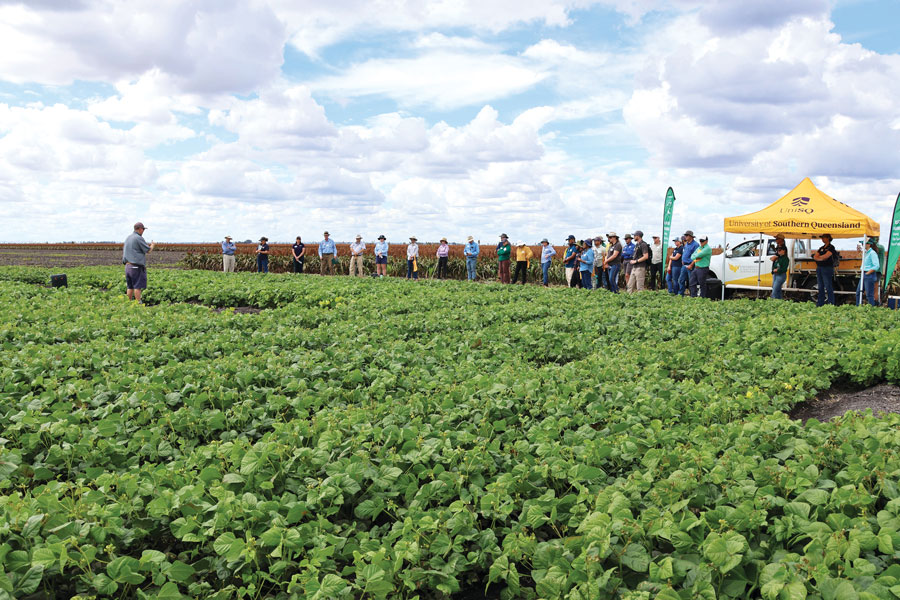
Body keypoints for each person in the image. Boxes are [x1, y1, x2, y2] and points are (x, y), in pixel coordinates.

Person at [123, 222, 154, 302]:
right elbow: (148, 250)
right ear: (140, 229)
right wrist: (152, 245)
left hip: (128, 266)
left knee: (130, 287)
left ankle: (128, 303)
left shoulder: (128, 238)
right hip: (135, 267)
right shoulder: (138, 238)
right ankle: (138, 305)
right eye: (143, 229)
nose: (143, 231)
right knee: (137, 286)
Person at [812, 233, 837, 306]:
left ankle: (831, 303)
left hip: (827, 268)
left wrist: (819, 258)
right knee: (820, 286)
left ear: (828, 238)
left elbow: (826, 256)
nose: (822, 239)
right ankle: (820, 303)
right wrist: (820, 258)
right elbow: (815, 256)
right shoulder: (821, 248)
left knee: (828, 285)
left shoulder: (831, 247)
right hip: (819, 268)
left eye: (823, 237)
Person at [857, 239, 880, 306]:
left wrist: (868, 273)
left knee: (869, 294)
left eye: (864, 243)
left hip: (868, 274)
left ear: (869, 244)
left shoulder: (872, 253)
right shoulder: (866, 253)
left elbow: (876, 266)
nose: (863, 245)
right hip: (865, 274)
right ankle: (858, 306)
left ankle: (871, 308)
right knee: (858, 292)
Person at [680, 231, 699, 296]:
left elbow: (697, 256)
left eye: (687, 235)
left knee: (692, 282)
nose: (685, 236)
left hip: (691, 265)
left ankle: (693, 295)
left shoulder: (696, 245)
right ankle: (681, 294)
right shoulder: (686, 244)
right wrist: (683, 259)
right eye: (685, 235)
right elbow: (684, 253)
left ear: (691, 236)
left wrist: (691, 265)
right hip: (684, 265)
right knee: (681, 280)